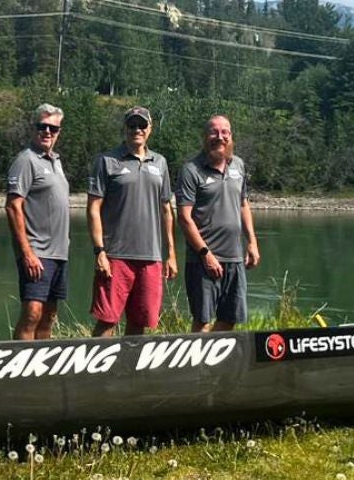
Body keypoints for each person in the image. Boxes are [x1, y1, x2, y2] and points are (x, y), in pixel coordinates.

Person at [86, 106, 177, 337]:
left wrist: (171, 254)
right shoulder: (106, 161)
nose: (137, 129)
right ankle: (96, 371)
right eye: (132, 125)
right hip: (115, 256)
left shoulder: (161, 163)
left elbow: (167, 210)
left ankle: (128, 371)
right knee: (107, 321)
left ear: (150, 129)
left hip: (151, 257)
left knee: (139, 323)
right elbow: (93, 208)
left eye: (142, 125)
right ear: (125, 128)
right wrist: (99, 251)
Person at [176, 114, 260, 332]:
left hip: (234, 257)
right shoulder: (191, 170)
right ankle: (196, 365)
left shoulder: (238, 166)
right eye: (214, 132)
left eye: (225, 132)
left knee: (230, 318)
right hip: (202, 260)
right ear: (205, 136)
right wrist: (206, 254)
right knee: (202, 321)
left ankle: (215, 365)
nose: (219, 137)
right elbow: (184, 218)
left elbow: (243, 204)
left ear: (231, 136)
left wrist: (252, 242)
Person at [5, 103, 70, 340]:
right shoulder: (26, 160)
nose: (47, 132)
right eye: (42, 126)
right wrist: (27, 252)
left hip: (59, 253)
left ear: (59, 132)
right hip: (37, 252)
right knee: (32, 312)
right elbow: (13, 207)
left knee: (49, 314)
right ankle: (19, 366)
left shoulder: (55, 161)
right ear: (34, 128)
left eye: (53, 128)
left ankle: (42, 367)